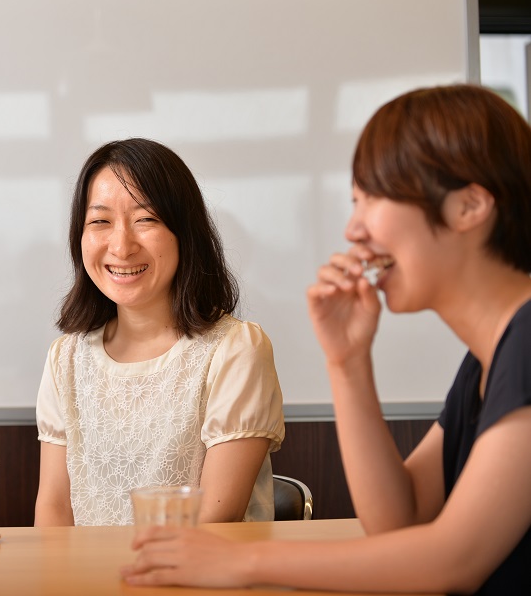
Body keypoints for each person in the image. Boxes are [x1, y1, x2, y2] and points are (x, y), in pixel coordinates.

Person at [121, 84, 531, 593]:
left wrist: (243, 562)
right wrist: (347, 362)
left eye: (376, 197)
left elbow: (452, 559)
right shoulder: (488, 360)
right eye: (356, 201)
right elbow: (400, 521)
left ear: (469, 206)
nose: (354, 229)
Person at [34, 138, 285, 526]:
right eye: (100, 221)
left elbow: (217, 517)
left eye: (146, 219)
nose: (121, 246)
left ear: (185, 233)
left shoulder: (235, 349)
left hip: (196, 565)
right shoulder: (65, 358)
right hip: (86, 568)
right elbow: (54, 509)